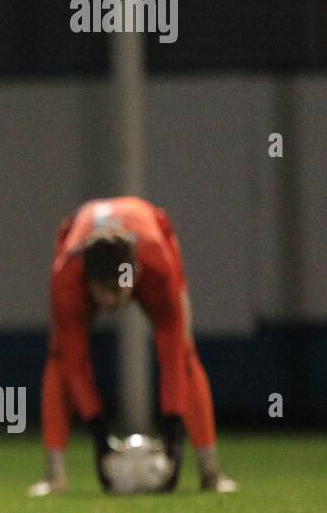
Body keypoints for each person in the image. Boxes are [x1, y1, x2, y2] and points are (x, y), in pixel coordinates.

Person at [28, 196, 238, 496]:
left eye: (119, 290)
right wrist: (100, 436)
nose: (113, 302)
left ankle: (210, 472)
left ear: (135, 272)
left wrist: (172, 435)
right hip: (79, 239)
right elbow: (75, 365)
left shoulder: (157, 265)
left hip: (154, 232)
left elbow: (172, 356)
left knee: (185, 351)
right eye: (104, 291)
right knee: (59, 358)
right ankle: (54, 475)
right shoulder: (68, 275)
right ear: (88, 281)